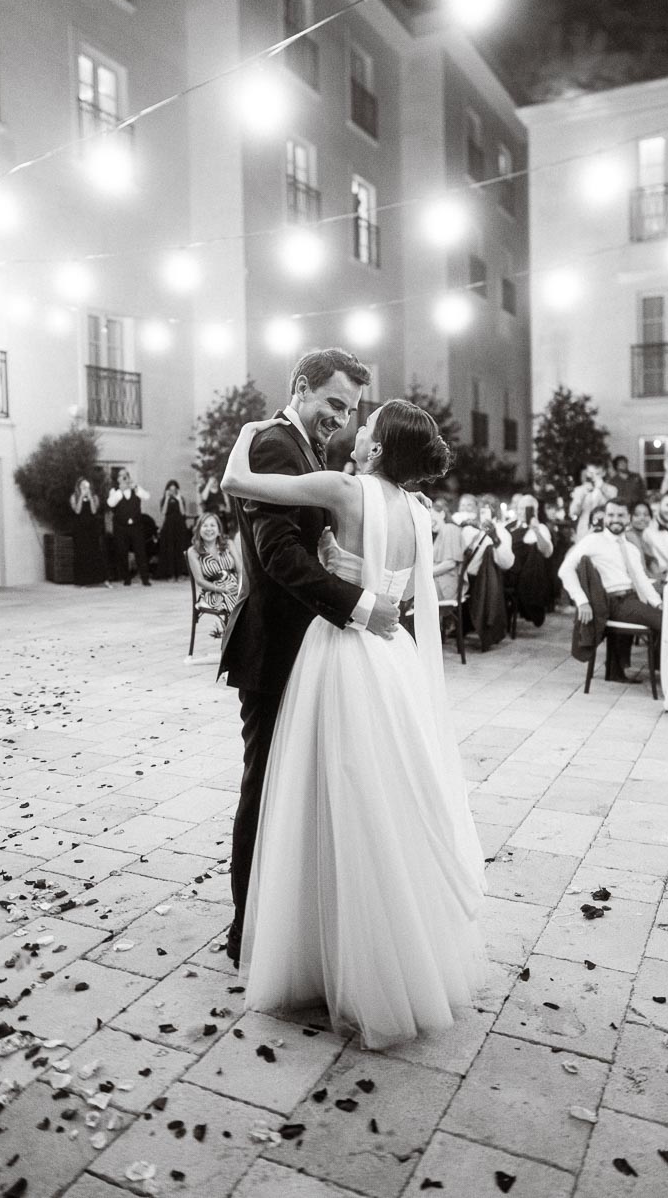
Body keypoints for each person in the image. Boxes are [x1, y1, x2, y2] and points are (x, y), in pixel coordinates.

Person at [221, 398, 485, 1048]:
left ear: (378, 448)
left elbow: (237, 483)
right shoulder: (418, 513)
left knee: (331, 792)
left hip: (340, 653)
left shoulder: (346, 489)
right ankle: (391, 946)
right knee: (383, 799)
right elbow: (406, 606)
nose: (356, 429)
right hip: (391, 661)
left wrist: (249, 434)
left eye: (366, 426)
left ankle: (324, 945)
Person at [218, 349, 401, 973]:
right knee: (264, 786)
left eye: (350, 411)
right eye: (333, 405)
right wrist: (358, 605)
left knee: (293, 792)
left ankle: (288, 927)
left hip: (307, 648)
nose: (342, 421)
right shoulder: (273, 443)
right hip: (274, 647)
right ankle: (248, 932)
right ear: (301, 388)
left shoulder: (308, 451)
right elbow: (278, 558)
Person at [559, 499, 662, 681]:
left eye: (620, 515)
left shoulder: (631, 548)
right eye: (611, 515)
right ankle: (663, 671)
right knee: (665, 622)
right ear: (604, 517)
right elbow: (565, 569)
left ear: (628, 518)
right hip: (611, 603)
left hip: (631, 598)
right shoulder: (593, 541)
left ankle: (618, 670)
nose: (615, 519)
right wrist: (581, 600)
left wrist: (658, 603)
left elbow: (642, 580)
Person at [505, 494, 553, 628]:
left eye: (526, 509)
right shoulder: (508, 526)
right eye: (520, 509)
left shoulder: (540, 528)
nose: (522, 512)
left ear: (535, 511)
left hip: (522, 574)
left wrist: (536, 531)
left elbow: (547, 553)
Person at [187, 511, 240, 630]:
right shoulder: (193, 551)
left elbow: (240, 569)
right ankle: (235, 640)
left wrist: (241, 588)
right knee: (234, 601)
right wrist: (221, 589)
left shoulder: (228, 544)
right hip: (213, 591)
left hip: (235, 586)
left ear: (219, 530)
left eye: (212, 525)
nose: (209, 529)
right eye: (204, 526)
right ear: (198, 530)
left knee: (253, 598)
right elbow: (200, 581)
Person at [107, 469, 152, 586]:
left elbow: (146, 496)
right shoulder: (114, 491)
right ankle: (126, 578)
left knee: (140, 551)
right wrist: (120, 491)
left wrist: (135, 486)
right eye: (121, 476)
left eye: (126, 476)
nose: (124, 478)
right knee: (122, 552)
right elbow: (111, 503)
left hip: (136, 526)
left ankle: (145, 578)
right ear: (118, 479)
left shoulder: (135, 489)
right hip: (121, 527)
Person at [69, 477, 108, 586]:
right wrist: (81, 496)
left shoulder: (94, 497)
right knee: (81, 552)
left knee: (94, 551)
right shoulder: (74, 497)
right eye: (82, 486)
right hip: (80, 528)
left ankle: (97, 579)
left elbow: (94, 511)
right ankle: (82, 581)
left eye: (86, 486)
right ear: (79, 487)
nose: (85, 488)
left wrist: (90, 497)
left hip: (91, 528)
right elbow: (77, 511)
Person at [430, 497, 465, 602]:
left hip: (445, 586)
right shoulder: (441, 534)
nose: (429, 521)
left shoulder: (449, 529)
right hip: (439, 583)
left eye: (431, 515)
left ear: (442, 514)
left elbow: (450, 563)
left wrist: (425, 574)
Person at [569, 464, 617, 540]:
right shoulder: (580, 490)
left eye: (597, 473)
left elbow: (614, 506)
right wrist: (582, 495)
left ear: (603, 473)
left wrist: (601, 487)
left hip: (605, 530)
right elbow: (573, 513)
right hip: (585, 531)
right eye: (591, 473)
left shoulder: (611, 489)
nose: (593, 477)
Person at [158, 479, 189, 580]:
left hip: (180, 525)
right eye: (170, 489)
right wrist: (167, 498)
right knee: (169, 549)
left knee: (180, 549)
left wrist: (179, 499)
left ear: (177, 490)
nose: (172, 491)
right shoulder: (164, 499)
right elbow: (163, 512)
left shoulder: (181, 499)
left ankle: (181, 573)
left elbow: (183, 512)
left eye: (174, 489)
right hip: (169, 526)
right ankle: (170, 574)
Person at [625, 500, 661, 581]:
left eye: (646, 514)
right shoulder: (630, 536)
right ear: (629, 517)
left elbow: (655, 570)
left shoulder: (645, 541)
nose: (642, 518)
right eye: (636, 515)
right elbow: (643, 572)